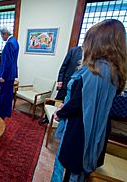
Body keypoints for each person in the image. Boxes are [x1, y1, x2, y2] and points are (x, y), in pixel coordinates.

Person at [51, 19, 127, 181]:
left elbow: (79, 102)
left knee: (69, 172)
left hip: (81, 130)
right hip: (96, 126)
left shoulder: (96, 70)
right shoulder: (113, 69)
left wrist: (60, 111)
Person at [40, 46, 83, 125]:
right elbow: (64, 66)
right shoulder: (74, 50)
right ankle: (47, 117)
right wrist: (60, 80)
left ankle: (63, 123)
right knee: (58, 100)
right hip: (67, 83)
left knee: (70, 105)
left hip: (80, 86)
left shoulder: (93, 54)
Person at [0, 26, 19, 119]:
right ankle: (7, 111)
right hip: (12, 73)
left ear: (5, 34)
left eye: (2, 36)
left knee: (4, 94)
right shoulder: (15, 41)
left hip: (7, 74)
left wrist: (2, 76)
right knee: (9, 94)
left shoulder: (9, 43)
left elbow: (7, 62)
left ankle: (2, 113)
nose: (2, 38)